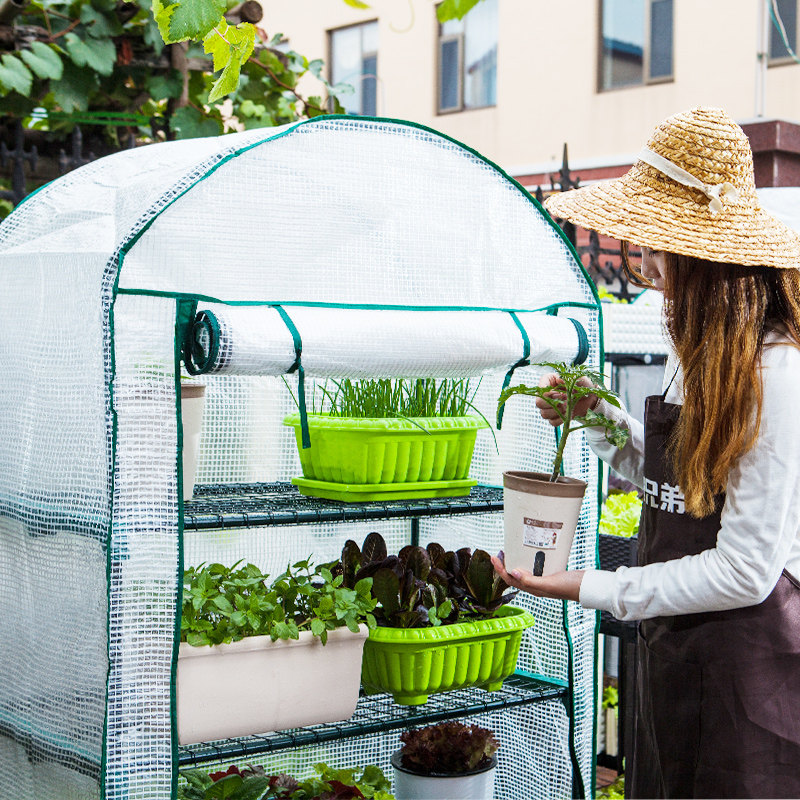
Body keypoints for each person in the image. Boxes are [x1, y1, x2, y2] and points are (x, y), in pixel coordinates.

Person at [491, 106, 800, 799]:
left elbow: (746, 571)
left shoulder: (776, 374)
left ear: (708, 258)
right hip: (672, 649)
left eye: (661, 248)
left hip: (748, 668)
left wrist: (584, 586)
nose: (650, 267)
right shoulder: (700, 354)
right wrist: (600, 421)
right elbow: (675, 481)